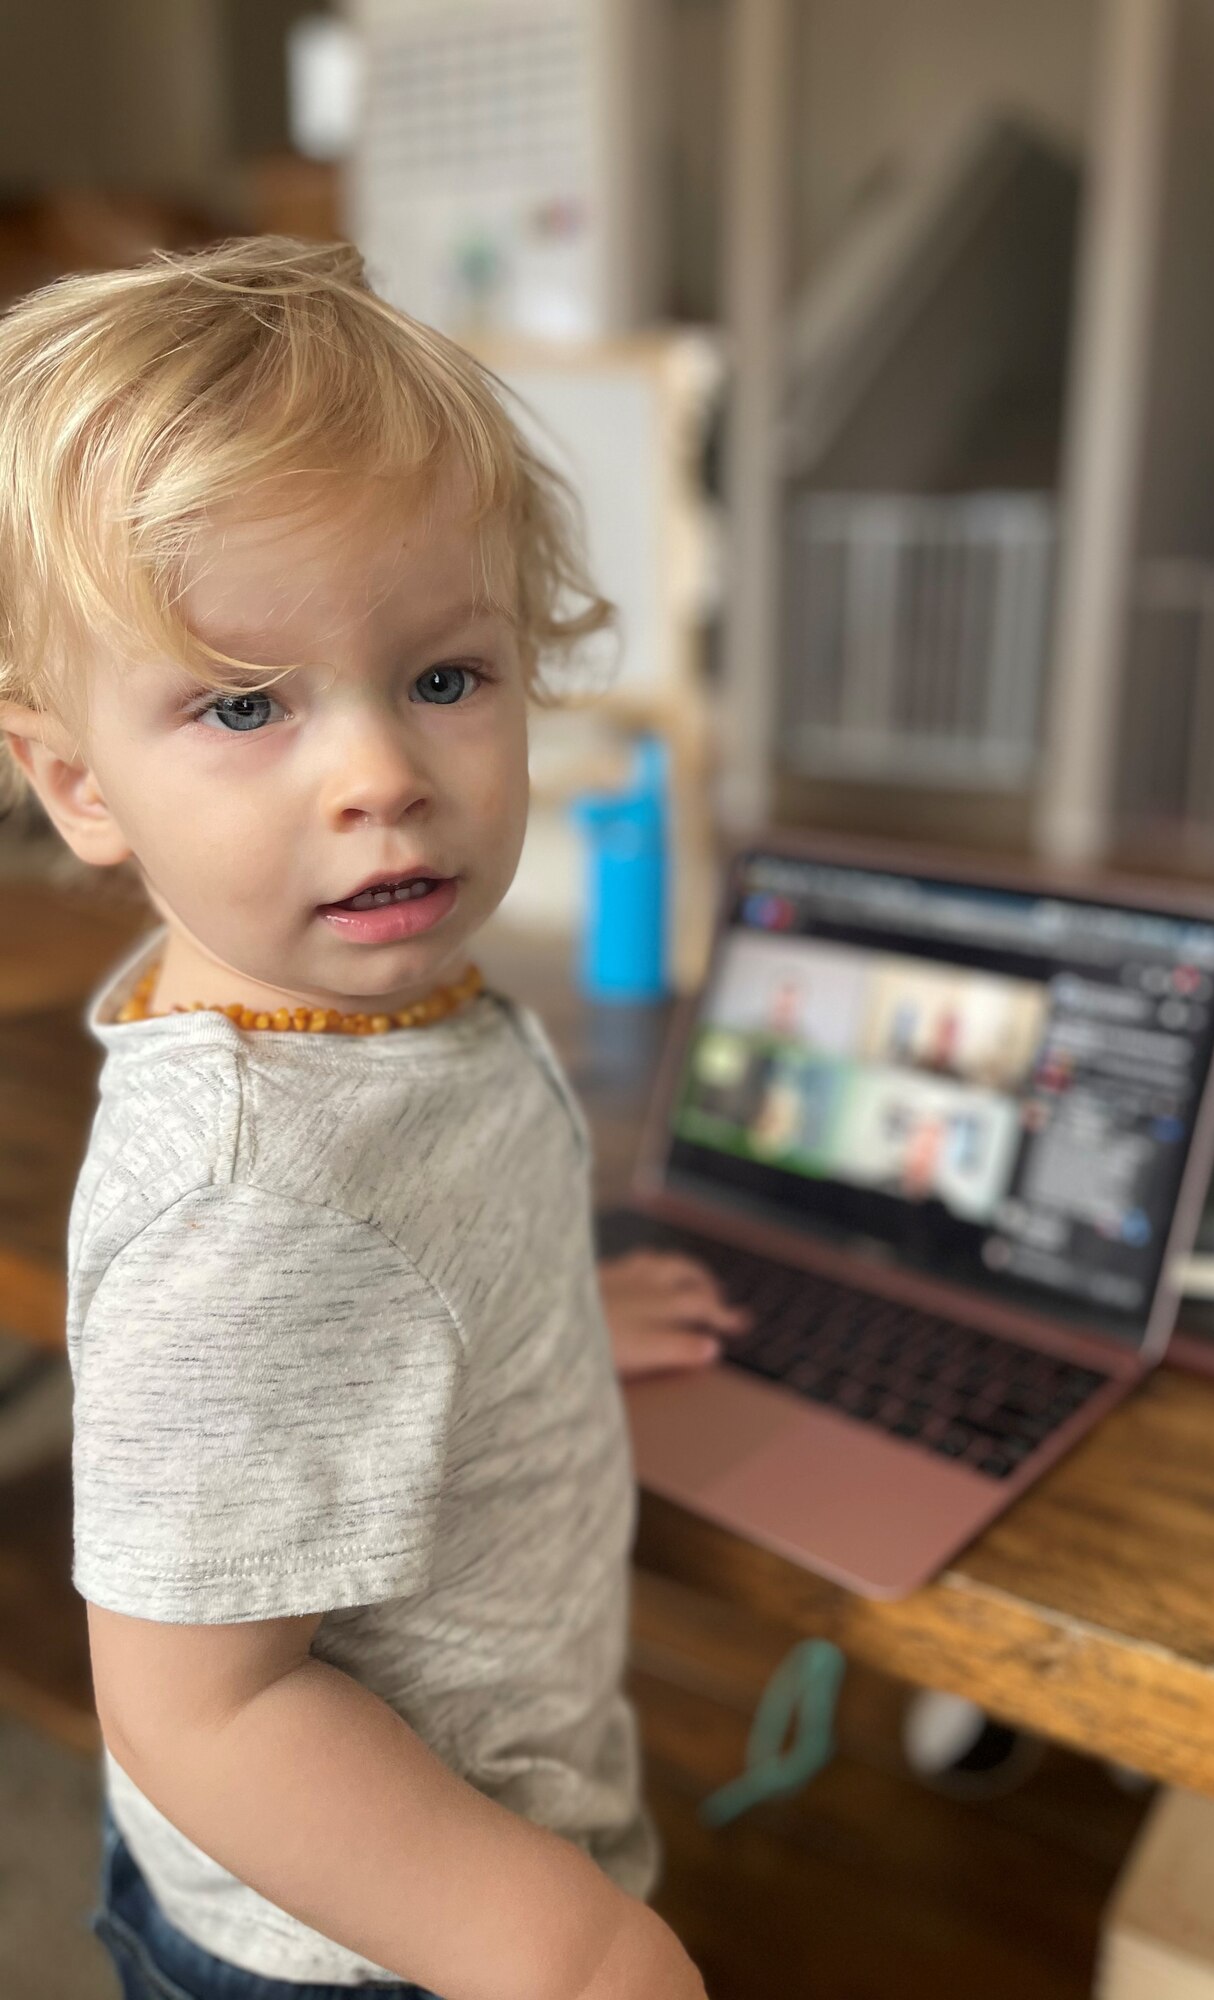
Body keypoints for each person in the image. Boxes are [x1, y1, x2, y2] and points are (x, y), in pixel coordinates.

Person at [0, 236, 747, 2000]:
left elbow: (418, 1226)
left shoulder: (368, 982)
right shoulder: (249, 1216)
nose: (383, 776)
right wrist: (552, 1945)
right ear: (81, 784)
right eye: (246, 704)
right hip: (359, 1950)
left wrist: (533, 1318)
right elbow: (202, 1701)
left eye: (443, 676)